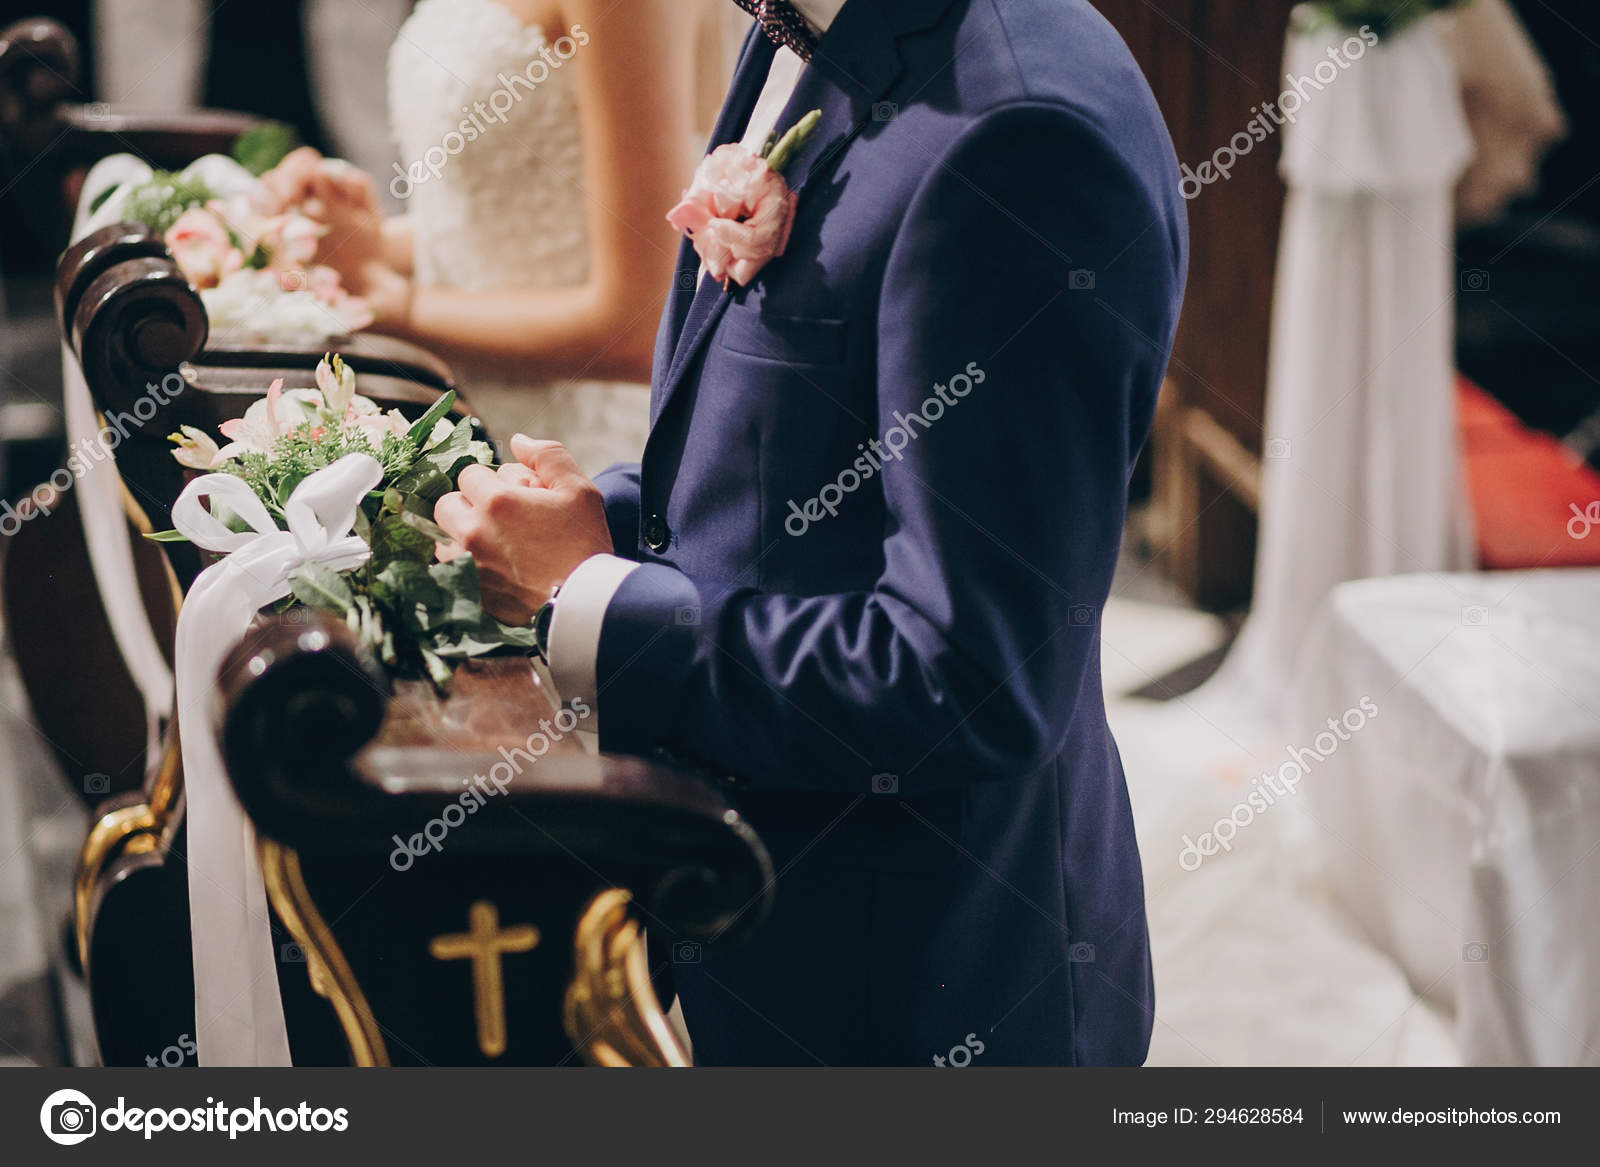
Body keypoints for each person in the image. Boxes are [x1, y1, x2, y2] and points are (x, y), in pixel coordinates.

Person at [435, 0, 1188, 1066]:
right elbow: (801, 458)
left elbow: (964, 673)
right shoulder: (805, 22)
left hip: (913, 984)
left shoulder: (1021, 136)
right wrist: (612, 522)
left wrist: (597, 599)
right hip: (771, 916)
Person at [263, 0, 720, 472]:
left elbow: (646, 326)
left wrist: (392, 302)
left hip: (563, 457)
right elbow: (502, 229)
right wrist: (354, 240)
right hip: (453, 415)